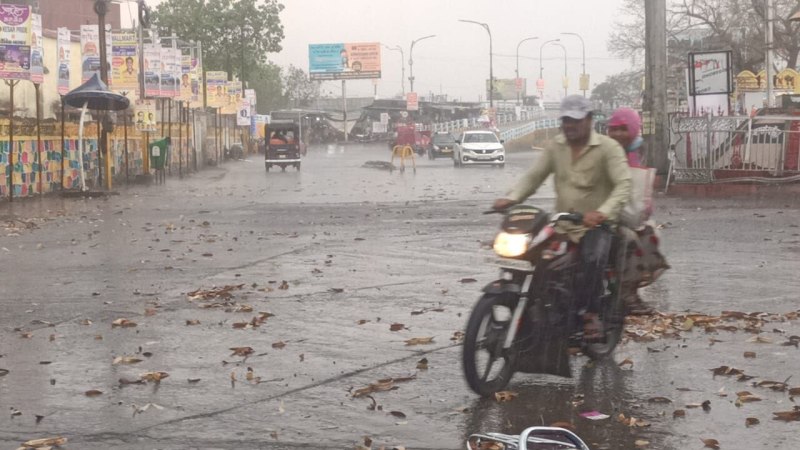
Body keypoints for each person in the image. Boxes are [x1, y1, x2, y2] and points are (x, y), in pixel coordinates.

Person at [493, 95, 632, 338]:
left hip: (597, 227)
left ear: (589, 120)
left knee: (592, 258)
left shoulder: (608, 149)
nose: (570, 126)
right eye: (566, 120)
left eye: (576, 120)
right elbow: (534, 176)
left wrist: (602, 213)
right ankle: (532, 306)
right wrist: (512, 198)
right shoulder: (555, 147)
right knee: (529, 254)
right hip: (563, 223)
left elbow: (623, 185)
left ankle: (591, 315)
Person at [606, 108, 670, 315]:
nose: (618, 134)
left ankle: (628, 289)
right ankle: (627, 296)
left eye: (623, 129)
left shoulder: (636, 151)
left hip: (621, 211)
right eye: (613, 129)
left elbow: (633, 185)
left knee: (649, 235)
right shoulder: (603, 151)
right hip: (600, 212)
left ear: (634, 129)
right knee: (629, 239)